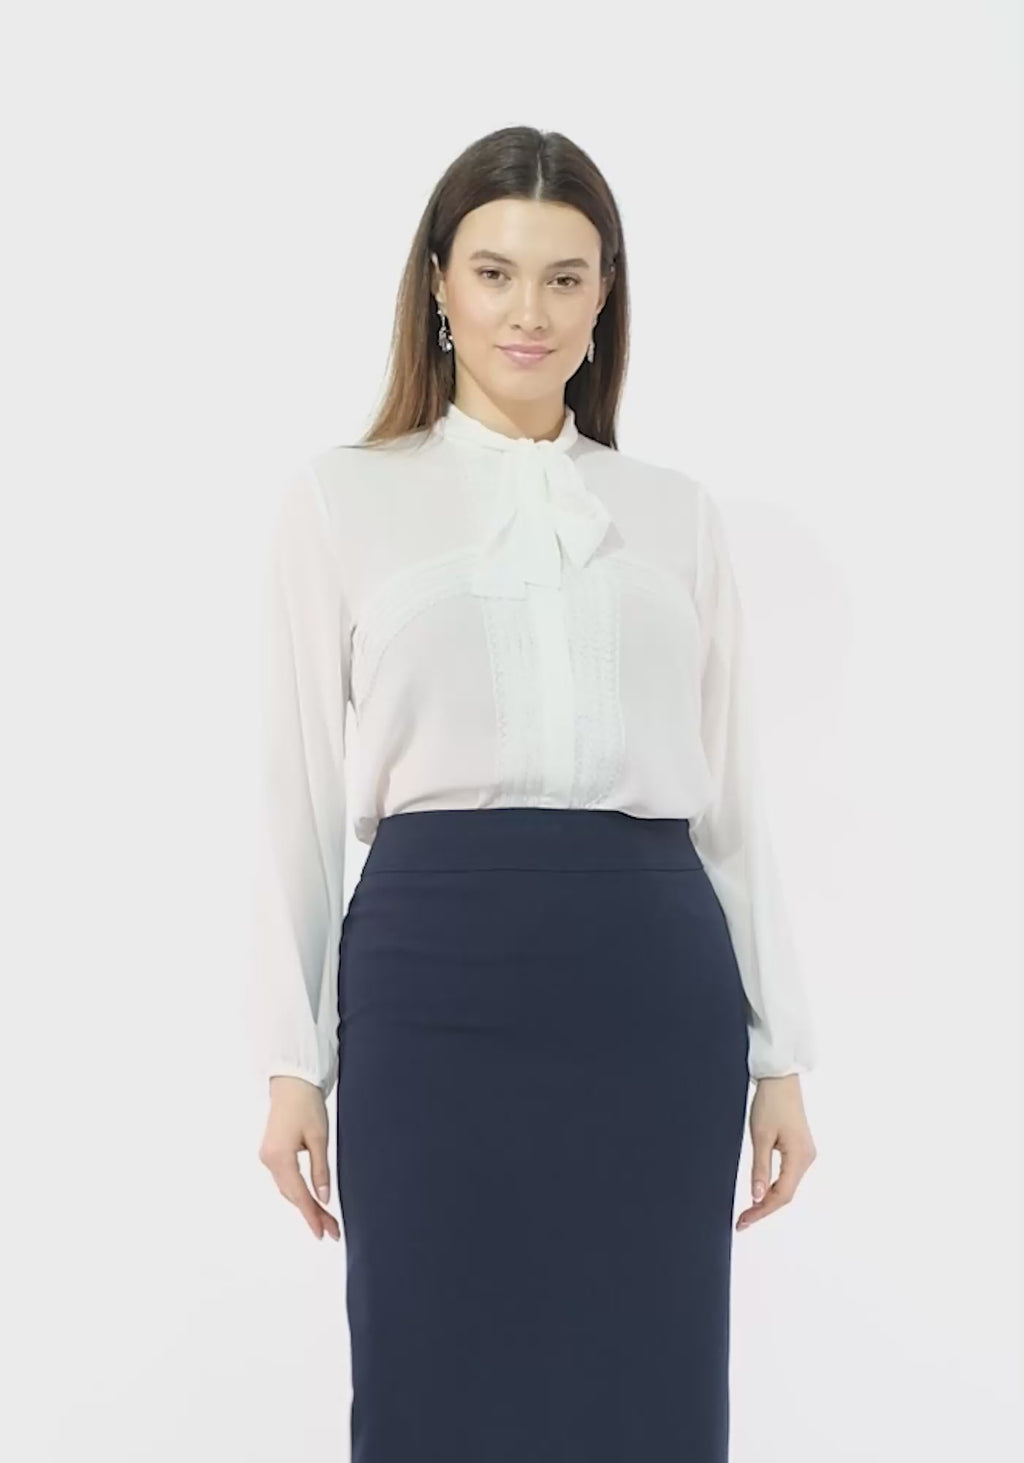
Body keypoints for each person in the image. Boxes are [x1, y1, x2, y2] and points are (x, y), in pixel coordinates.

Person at [253, 124, 818, 1462]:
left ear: (605, 294)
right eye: (496, 273)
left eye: (566, 277)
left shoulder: (675, 514)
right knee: (431, 1385)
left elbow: (733, 804)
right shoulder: (342, 502)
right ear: (439, 286)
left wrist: (781, 1054)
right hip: (430, 990)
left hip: (652, 992)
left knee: (646, 1390)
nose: (531, 311)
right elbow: (293, 796)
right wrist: (291, 1061)